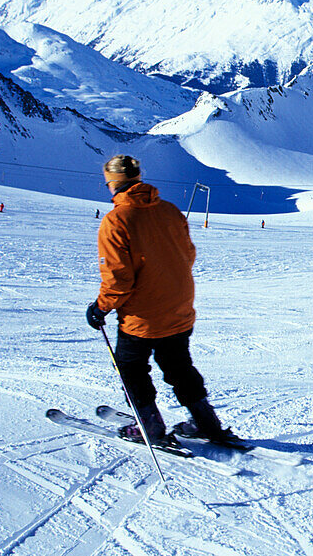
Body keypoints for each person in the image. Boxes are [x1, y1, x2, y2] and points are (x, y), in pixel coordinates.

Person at [85, 155, 233, 444]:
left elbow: (118, 280)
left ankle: (150, 426)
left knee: (131, 368)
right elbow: (188, 255)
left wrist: (100, 307)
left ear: (113, 183)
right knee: (179, 366)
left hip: (142, 317)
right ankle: (206, 422)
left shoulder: (115, 221)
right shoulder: (169, 211)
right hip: (178, 308)